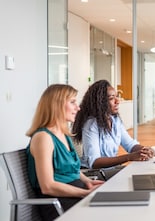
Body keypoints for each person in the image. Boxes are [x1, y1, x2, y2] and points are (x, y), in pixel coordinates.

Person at [26, 84, 104, 221]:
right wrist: (84, 193)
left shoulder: (64, 135)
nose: (78, 108)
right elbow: (48, 186)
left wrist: (87, 181)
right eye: (72, 102)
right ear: (56, 105)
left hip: (74, 197)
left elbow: (71, 167)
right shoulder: (43, 138)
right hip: (58, 204)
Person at [72, 80, 154, 179]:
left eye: (116, 96)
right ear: (100, 102)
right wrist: (129, 157)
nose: (117, 101)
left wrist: (143, 150)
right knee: (135, 177)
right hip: (94, 173)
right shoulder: (91, 124)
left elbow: (130, 145)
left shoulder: (115, 120)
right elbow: (95, 162)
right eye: (112, 98)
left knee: (142, 173)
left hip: (110, 169)